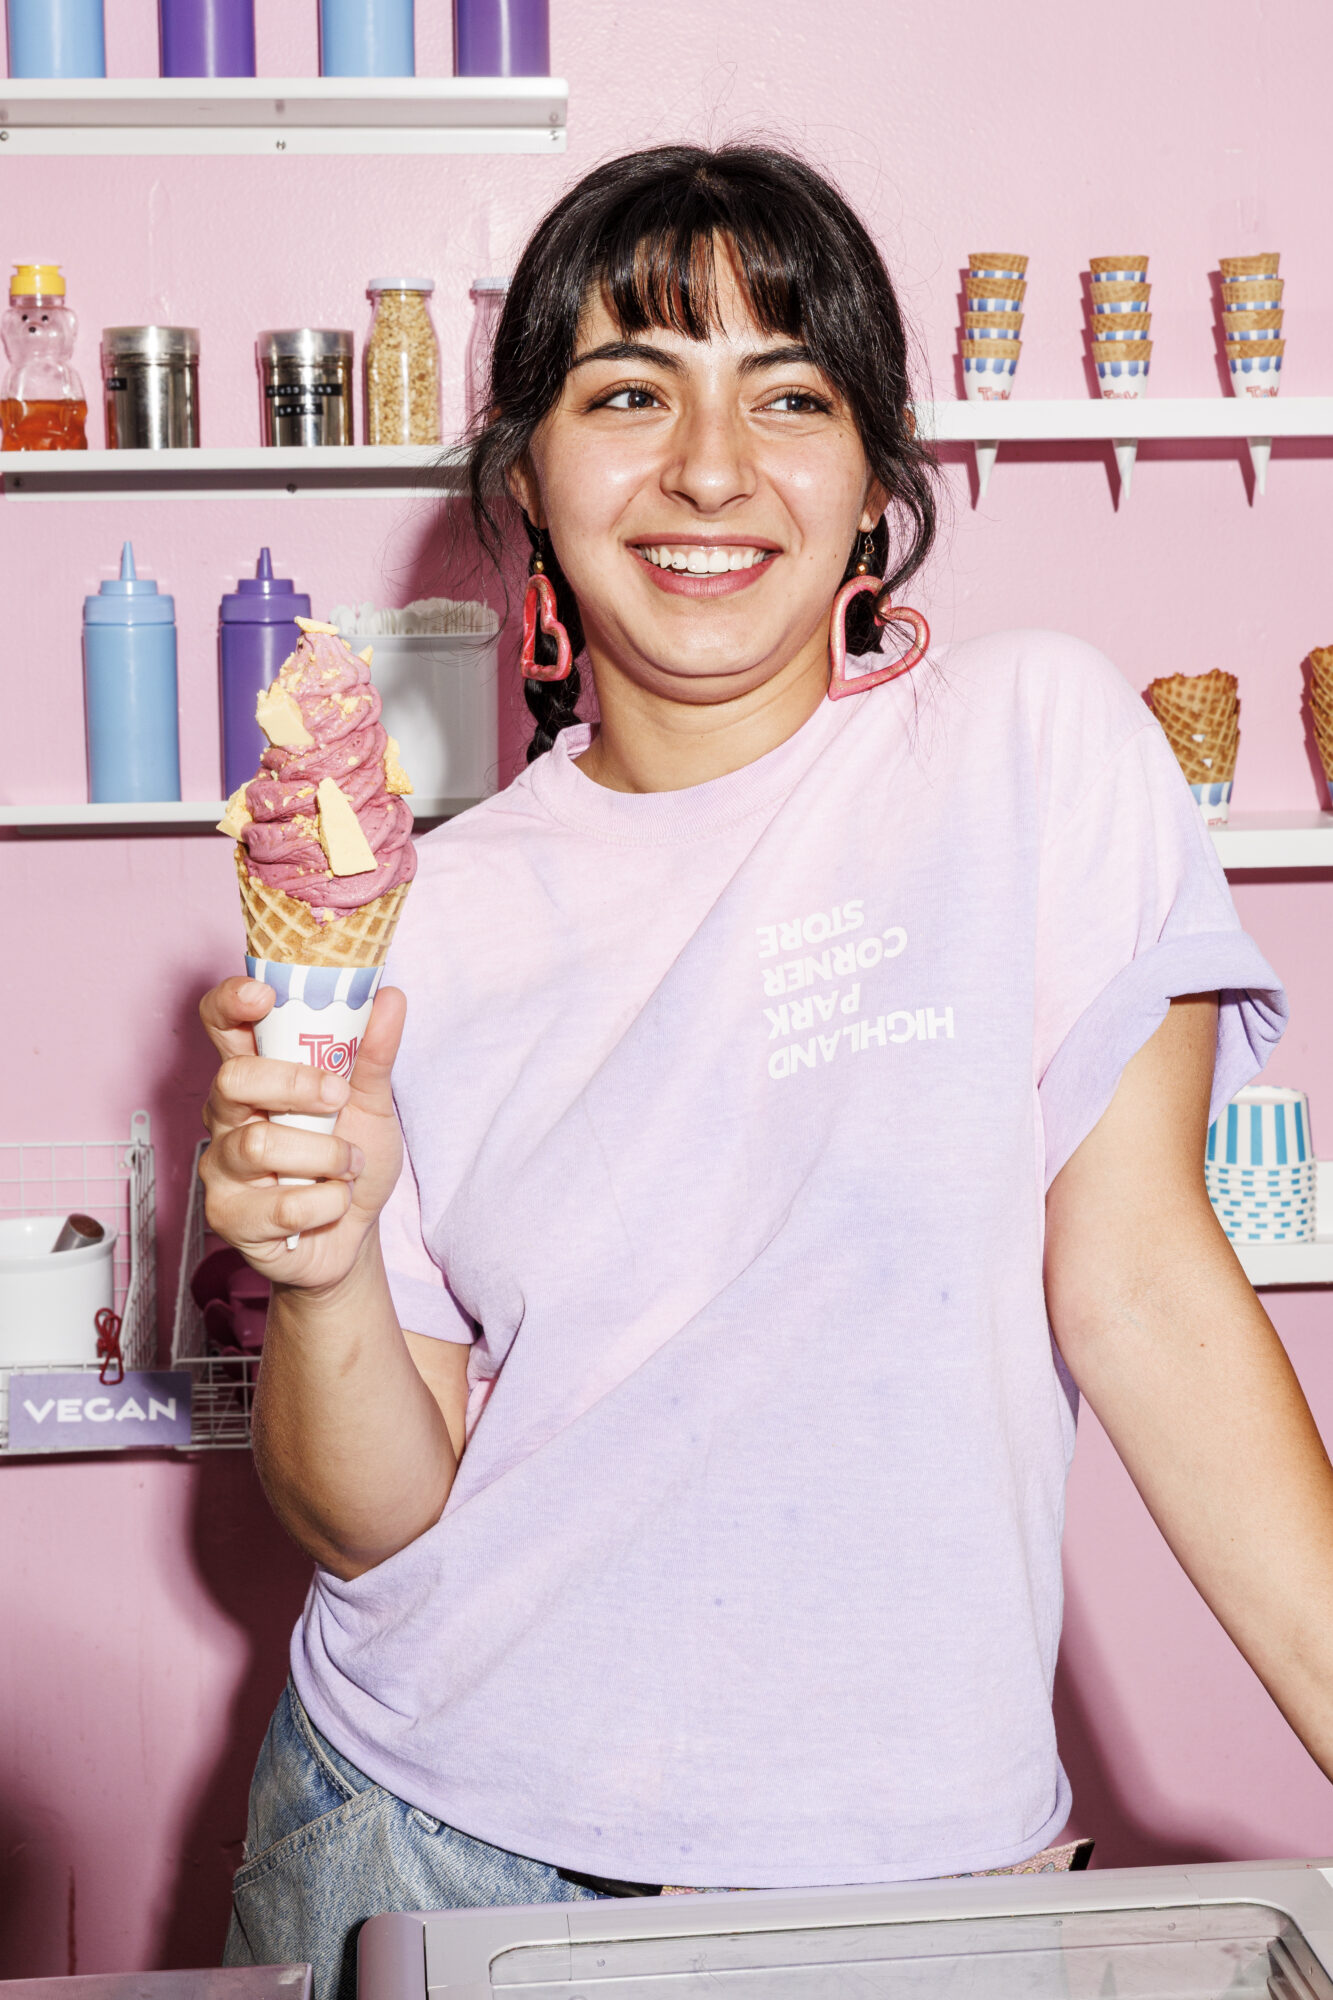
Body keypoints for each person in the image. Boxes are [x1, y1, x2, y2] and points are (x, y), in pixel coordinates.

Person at [200, 145, 1332, 2000]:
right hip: (426, 1832)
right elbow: (365, 1515)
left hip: (919, 1886)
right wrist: (320, 1264)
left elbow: (1136, 1282)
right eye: (627, 393)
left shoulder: (1027, 744)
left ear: (877, 484)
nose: (710, 470)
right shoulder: (420, 919)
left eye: (789, 397)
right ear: (524, 480)